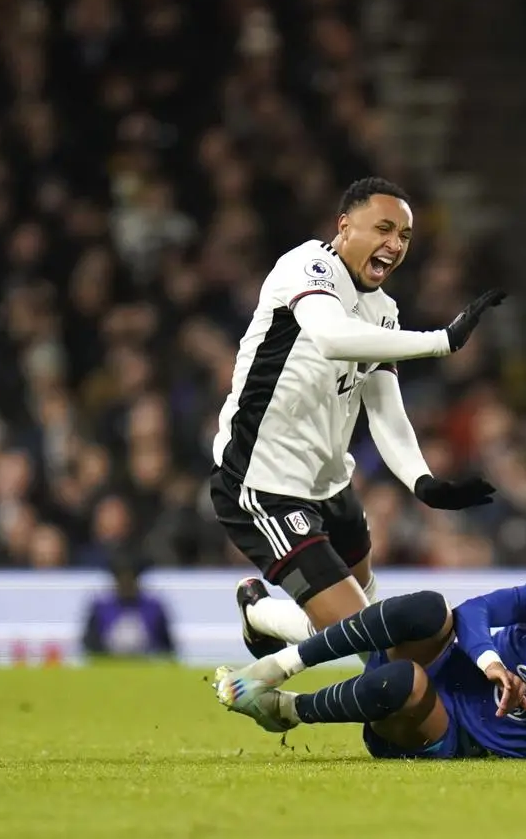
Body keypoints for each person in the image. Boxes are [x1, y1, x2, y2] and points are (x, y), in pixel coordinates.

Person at [210, 177, 506, 692]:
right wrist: (442, 340)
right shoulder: (307, 267)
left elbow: (385, 407)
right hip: (265, 484)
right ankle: (258, 616)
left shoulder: (384, 311)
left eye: (406, 237)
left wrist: (423, 482)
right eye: (385, 228)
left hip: (333, 487)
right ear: (344, 227)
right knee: (356, 631)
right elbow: (329, 337)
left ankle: (267, 622)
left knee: (366, 622)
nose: (395, 244)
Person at [213, 544, 526, 763]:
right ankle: (276, 666)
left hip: (455, 736)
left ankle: (285, 710)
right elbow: (476, 610)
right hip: (452, 665)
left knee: (402, 681)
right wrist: (491, 663)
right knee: (429, 609)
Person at [80, 559, 175, 658]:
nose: (126, 584)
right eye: (122, 580)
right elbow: (90, 644)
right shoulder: (100, 608)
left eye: (129, 580)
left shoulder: (154, 608)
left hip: (146, 663)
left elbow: (166, 646)